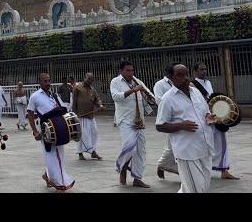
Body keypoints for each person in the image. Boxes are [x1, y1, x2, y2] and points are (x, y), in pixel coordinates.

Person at [156, 64, 216, 193]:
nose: (185, 78)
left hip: (205, 146)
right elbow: (160, 126)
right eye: (180, 75)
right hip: (187, 151)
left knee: (202, 186)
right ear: (171, 78)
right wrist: (181, 125)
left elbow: (205, 112)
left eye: (186, 74)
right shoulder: (168, 99)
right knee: (195, 189)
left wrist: (209, 117)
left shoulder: (196, 92)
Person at [27, 72, 75, 191]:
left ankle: (47, 175)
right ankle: (60, 183)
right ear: (40, 82)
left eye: (49, 80)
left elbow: (63, 109)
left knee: (60, 154)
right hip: (45, 129)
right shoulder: (35, 96)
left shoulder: (54, 95)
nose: (48, 83)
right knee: (51, 154)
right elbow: (30, 114)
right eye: (45, 81)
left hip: (58, 128)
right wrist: (35, 131)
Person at [192, 63, 239, 180]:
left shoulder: (208, 83)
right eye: (201, 69)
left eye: (205, 69)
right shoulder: (192, 85)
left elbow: (213, 100)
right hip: (203, 118)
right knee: (203, 145)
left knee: (222, 142)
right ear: (195, 72)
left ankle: (224, 170)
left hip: (215, 118)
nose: (204, 71)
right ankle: (200, 170)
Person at [110, 60, 151, 188]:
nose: (130, 73)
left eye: (132, 70)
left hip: (140, 120)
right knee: (129, 146)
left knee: (140, 150)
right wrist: (133, 90)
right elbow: (116, 97)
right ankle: (122, 169)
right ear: (121, 71)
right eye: (128, 70)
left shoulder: (137, 81)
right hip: (125, 120)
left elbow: (149, 96)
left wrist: (148, 96)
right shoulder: (115, 82)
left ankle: (137, 178)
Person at [154, 63, 178, 178]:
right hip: (167, 119)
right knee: (171, 145)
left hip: (179, 117)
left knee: (177, 144)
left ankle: (164, 164)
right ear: (170, 74)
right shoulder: (160, 84)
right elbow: (159, 100)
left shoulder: (179, 83)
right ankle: (162, 164)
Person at [72, 73, 103, 160]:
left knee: (94, 133)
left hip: (90, 116)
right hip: (81, 116)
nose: (90, 81)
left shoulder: (92, 89)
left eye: (91, 79)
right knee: (82, 135)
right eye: (89, 79)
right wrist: (74, 115)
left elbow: (97, 99)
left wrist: (100, 105)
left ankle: (93, 151)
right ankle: (80, 154)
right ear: (85, 78)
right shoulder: (77, 87)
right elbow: (73, 102)